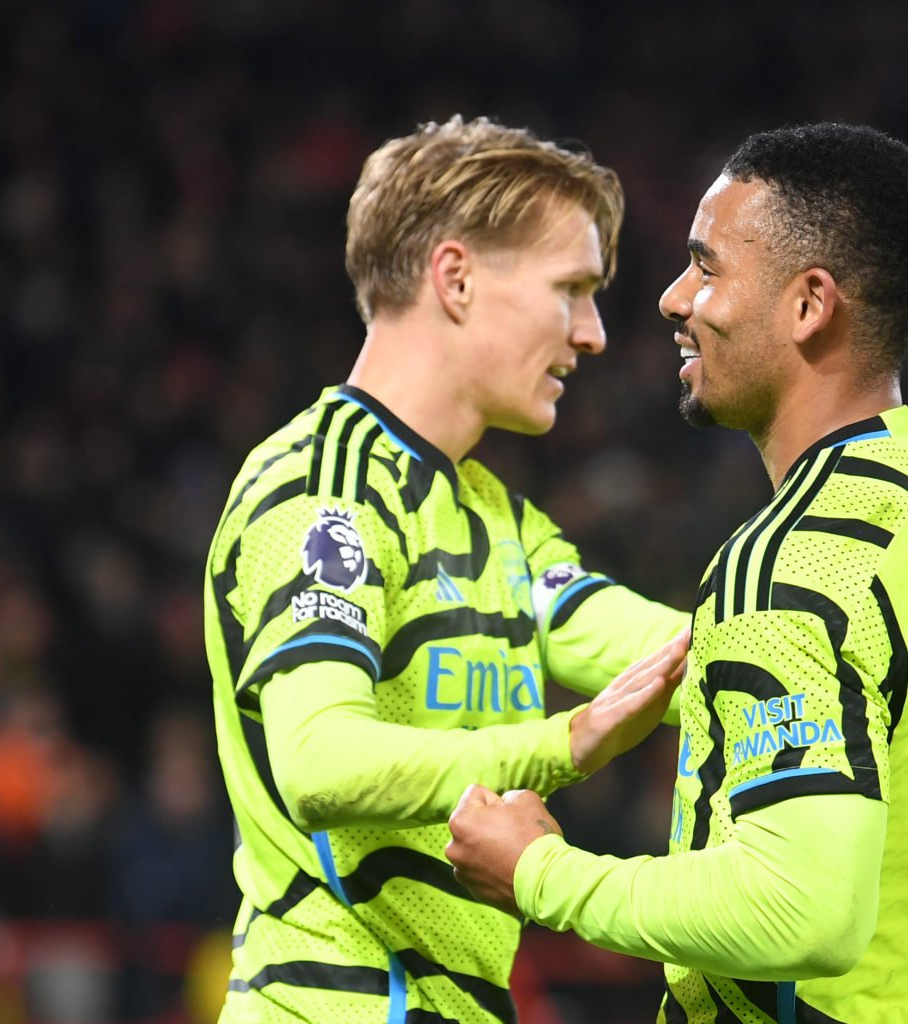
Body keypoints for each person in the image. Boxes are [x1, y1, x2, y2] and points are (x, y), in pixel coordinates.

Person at [446, 123, 908, 1023]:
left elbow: (800, 909)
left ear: (808, 305)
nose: (673, 299)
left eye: (707, 268)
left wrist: (543, 875)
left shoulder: (786, 566)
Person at [203, 115, 691, 1023]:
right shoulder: (325, 490)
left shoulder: (497, 519)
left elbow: (661, 647)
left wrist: (823, 632)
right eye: (571, 290)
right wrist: (561, 745)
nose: (593, 335)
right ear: (456, 278)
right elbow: (318, 756)